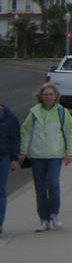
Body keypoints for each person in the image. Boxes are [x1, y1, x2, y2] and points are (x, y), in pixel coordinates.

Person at [18, 84, 72, 232]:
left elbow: (71, 132)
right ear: (41, 96)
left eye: (50, 94)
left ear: (55, 96)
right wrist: (22, 152)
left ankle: (54, 213)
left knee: (52, 184)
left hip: (55, 155)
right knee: (40, 188)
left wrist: (70, 152)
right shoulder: (34, 113)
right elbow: (25, 132)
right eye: (45, 94)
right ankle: (43, 219)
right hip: (37, 155)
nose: (48, 97)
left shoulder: (61, 112)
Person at [0, 93, 21, 235]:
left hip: (3, 157)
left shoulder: (9, 117)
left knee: (0, 190)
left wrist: (14, 159)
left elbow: (15, 138)